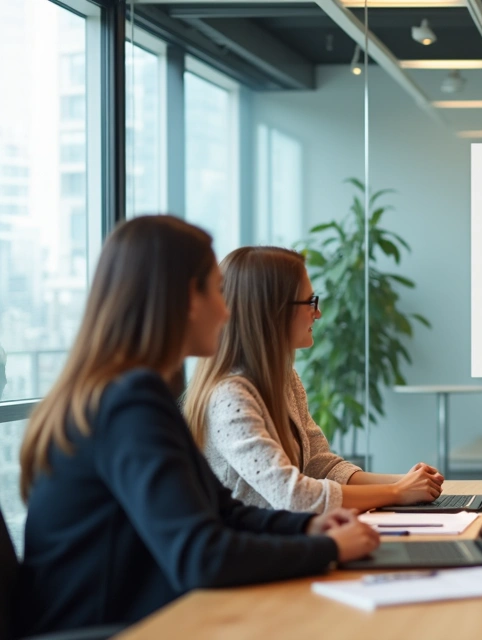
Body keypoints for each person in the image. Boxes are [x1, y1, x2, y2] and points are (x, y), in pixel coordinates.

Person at [15, 216, 379, 637]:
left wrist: (307, 526)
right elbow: (201, 556)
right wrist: (327, 548)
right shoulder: (128, 403)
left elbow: (222, 511)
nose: (227, 311)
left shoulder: (125, 393)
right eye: (218, 291)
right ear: (190, 297)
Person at [183, 246, 443, 514]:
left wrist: (406, 482)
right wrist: (397, 492)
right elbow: (294, 496)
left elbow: (320, 465)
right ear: (272, 311)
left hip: (288, 540)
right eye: (310, 302)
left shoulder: (284, 379)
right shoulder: (230, 398)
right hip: (254, 550)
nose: (318, 313)